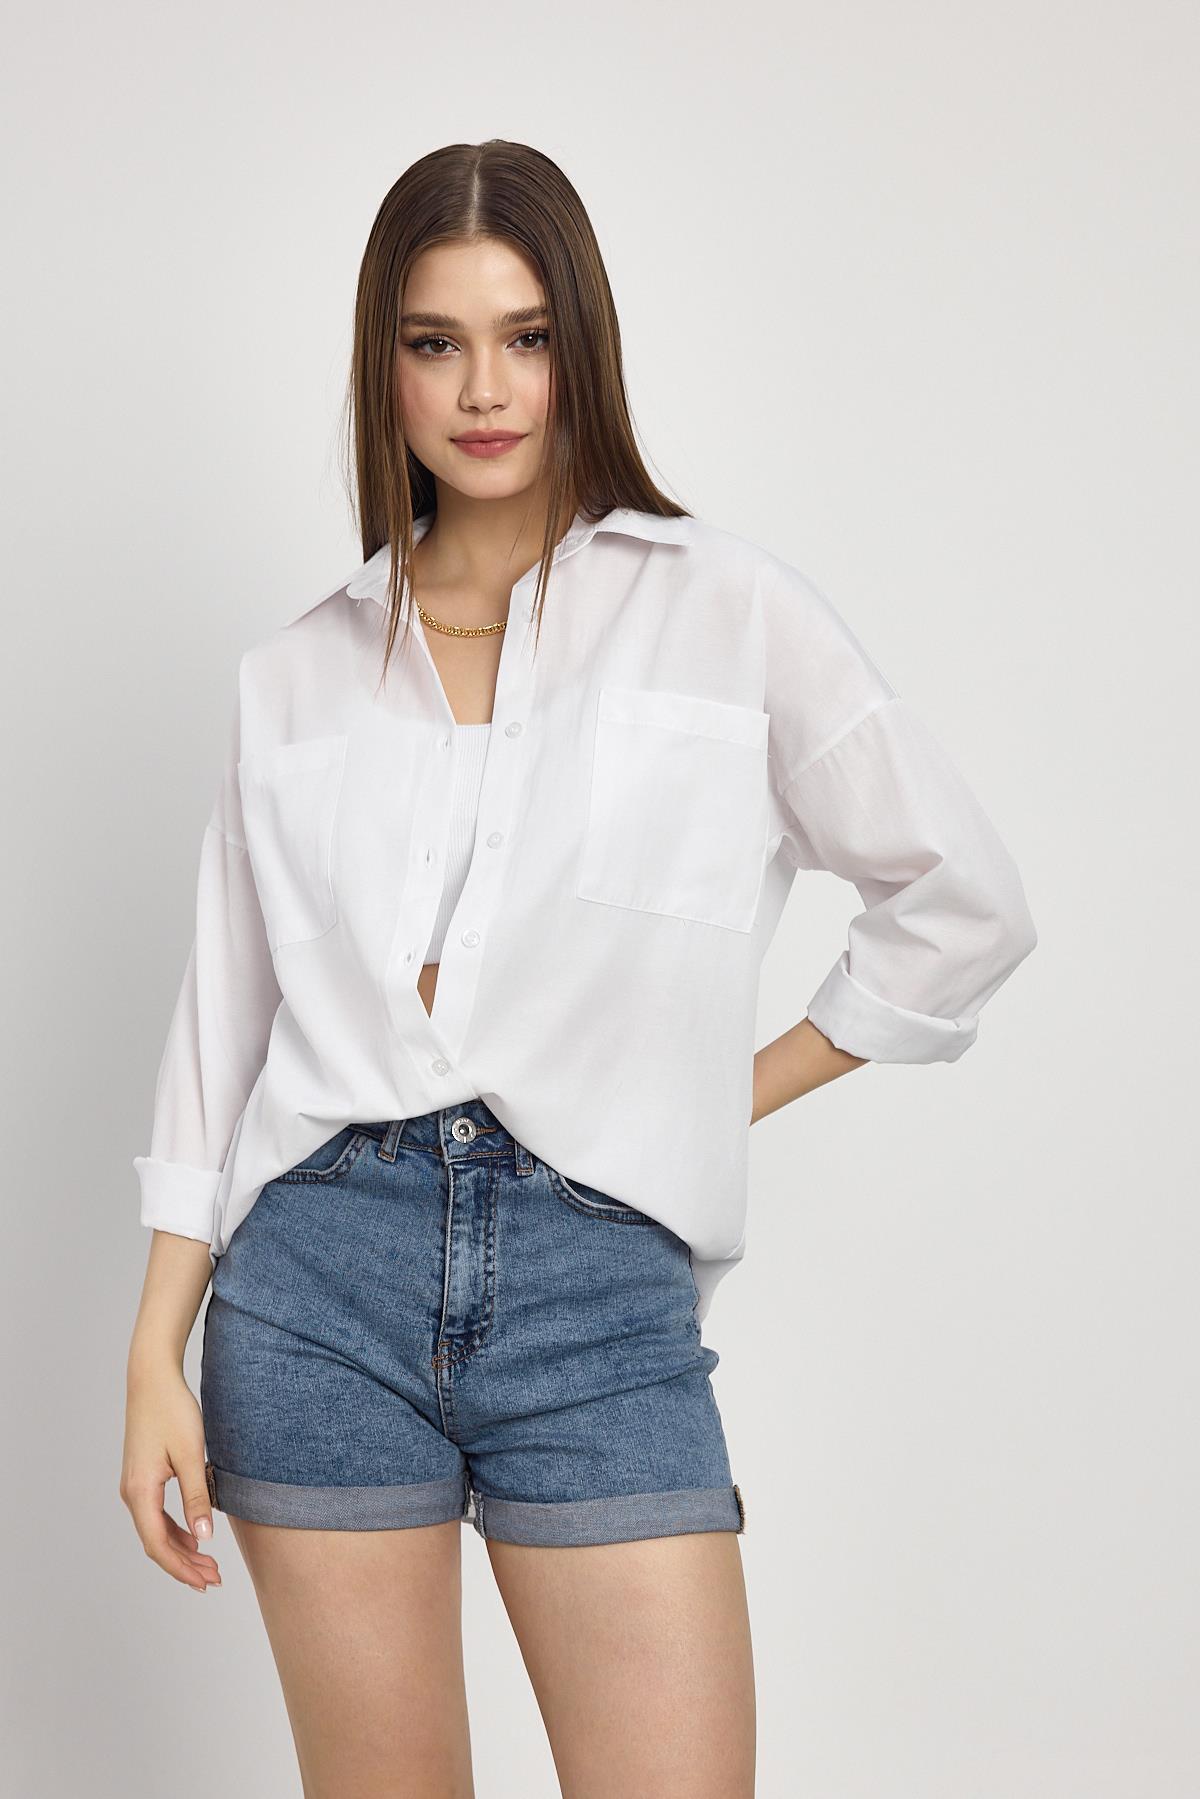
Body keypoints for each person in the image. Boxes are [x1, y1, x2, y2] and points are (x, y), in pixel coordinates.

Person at [121, 139, 1037, 1798]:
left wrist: (712, 1094)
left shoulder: (727, 614)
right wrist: (150, 1356)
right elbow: (223, 1029)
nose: (484, 389)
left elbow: (959, 900)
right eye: (437, 342)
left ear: (582, 349)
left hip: (599, 1294)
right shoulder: (296, 675)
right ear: (384, 366)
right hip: (312, 1285)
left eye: (525, 338)